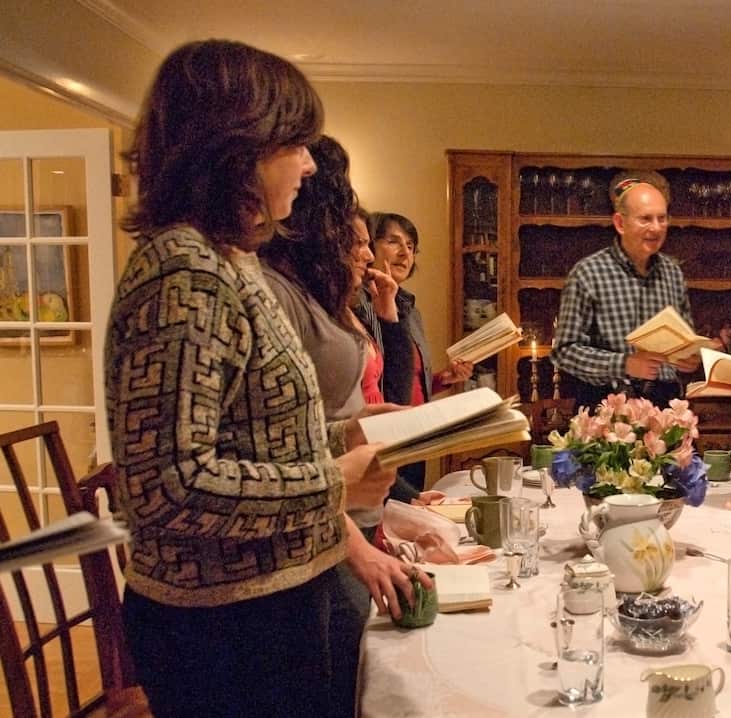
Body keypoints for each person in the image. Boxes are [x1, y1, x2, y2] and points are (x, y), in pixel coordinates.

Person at [105, 40, 396, 717]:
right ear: (237, 148)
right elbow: (168, 487)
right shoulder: (185, 272)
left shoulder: (230, 261)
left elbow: (253, 430)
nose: (306, 163)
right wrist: (335, 479)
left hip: (269, 601)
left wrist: (340, 432)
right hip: (223, 628)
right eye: (293, 143)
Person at [259, 136, 417, 715]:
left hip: (331, 532)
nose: (367, 254)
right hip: (296, 554)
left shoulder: (297, 289)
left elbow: (295, 433)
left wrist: (350, 435)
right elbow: (188, 479)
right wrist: (336, 474)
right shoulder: (263, 287)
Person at [551, 171, 701, 409]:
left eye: (662, 219)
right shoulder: (588, 273)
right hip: (605, 404)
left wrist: (690, 359)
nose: (656, 228)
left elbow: (686, 340)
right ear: (620, 223)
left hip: (665, 404)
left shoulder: (673, 273)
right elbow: (564, 352)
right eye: (646, 219)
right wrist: (624, 364)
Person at [356, 211, 473, 495]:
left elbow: (407, 376)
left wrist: (445, 379)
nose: (404, 253)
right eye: (394, 242)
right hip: (379, 434)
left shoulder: (409, 308)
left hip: (414, 433)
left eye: (410, 246)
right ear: (371, 246)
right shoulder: (359, 304)